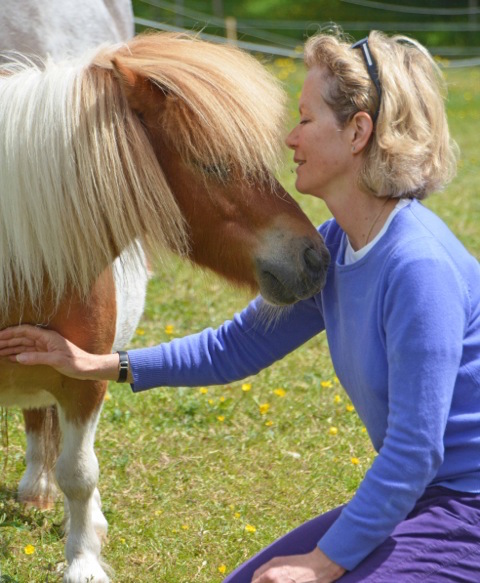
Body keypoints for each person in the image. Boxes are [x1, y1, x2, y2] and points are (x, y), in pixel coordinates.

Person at [1, 29, 479, 583]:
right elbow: (238, 344)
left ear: (357, 132)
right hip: (422, 499)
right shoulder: (346, 245)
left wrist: (321, 565)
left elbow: (416, 452)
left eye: (304, 119)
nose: (288, 138)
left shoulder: (417, 266)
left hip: (463, 507)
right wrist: (102, 365)